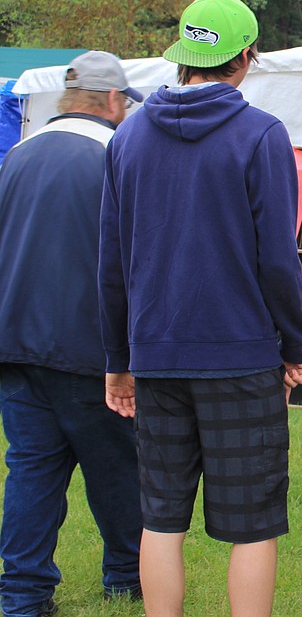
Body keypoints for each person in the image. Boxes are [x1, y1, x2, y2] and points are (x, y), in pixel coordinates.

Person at [99, 0, 302, 617]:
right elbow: (278, 258)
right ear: (245, 59)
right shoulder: (261, 134)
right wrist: (294, 348)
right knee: (253, 524)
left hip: (157, 356)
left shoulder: (128, 136)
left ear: (184, 58)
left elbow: (113, 264)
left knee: (161, 517)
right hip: (240, 358)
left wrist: (119, 359)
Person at [0, 51, 143, 617]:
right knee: (117, 468)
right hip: (90, 347)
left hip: (16, 343)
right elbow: (132, 262)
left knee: (31, 470)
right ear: (112, 101)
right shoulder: (114, 156)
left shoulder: (17, 155)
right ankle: (126, 578)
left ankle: (22, 594)